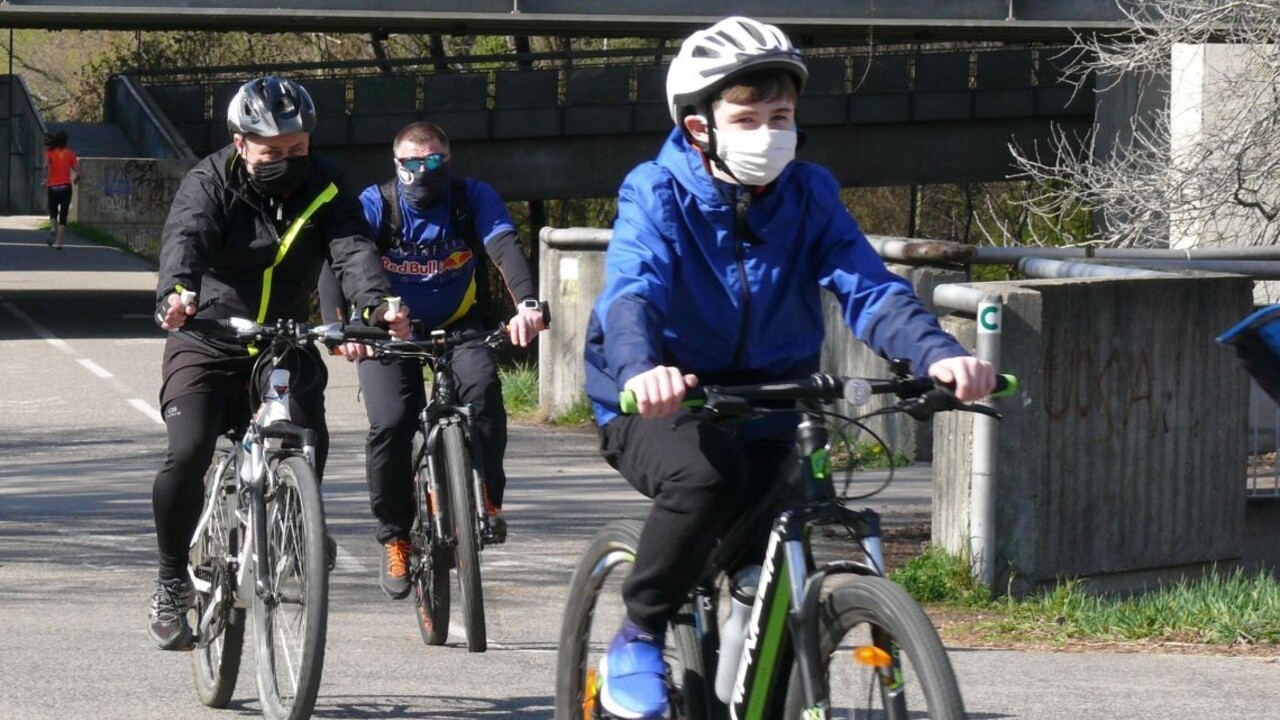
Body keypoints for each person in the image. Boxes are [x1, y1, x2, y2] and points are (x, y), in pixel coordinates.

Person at [582, 17, 997, 719]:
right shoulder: (656, 191)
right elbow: (634, 289)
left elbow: (868, 287)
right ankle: (640, 630)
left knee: (785, 532)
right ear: (697, 128)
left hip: (775, 395)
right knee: (704, 479)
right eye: (746, 118)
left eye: (781, 116)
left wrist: (939, 354)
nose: (768, 133)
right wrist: (639, 368)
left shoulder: (809, 192)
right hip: (662, 396)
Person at [147, 75, 411, 651]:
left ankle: (298, 526)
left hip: (283, 340)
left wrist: (375, 302)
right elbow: (184, 238)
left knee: (307, 437)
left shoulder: (325, 184)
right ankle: (171, 581)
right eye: (273, 152)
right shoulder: (209, 181)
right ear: (241, 143)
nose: (288, 161)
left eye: (297, 148)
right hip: (210, 336)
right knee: (188, 452)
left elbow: (352, 247)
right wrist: (178, 293)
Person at [317, 120, 546, 600]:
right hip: (387, 330)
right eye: (413, 163)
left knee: (482, 392)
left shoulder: (471, 197)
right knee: (393, 421)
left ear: (449, 157)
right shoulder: (376, 204)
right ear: (395, 163)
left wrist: (527, 304)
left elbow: (504, 245)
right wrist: (341, 329)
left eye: (434, 161)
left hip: (460, 326)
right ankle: (396, 535)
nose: (424, 171)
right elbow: (339, 263)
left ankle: (485, 497)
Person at [43, 130, 78, 250]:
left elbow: (46, 166)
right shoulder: (70, 154)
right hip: (65, 187)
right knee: (63, 215)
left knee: (53, 212)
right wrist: (76, 179)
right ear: (66, 141)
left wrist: (45, 180)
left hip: (52, 187)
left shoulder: (49, 152)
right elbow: (77, 171)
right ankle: (59, 242)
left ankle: (53, 228)